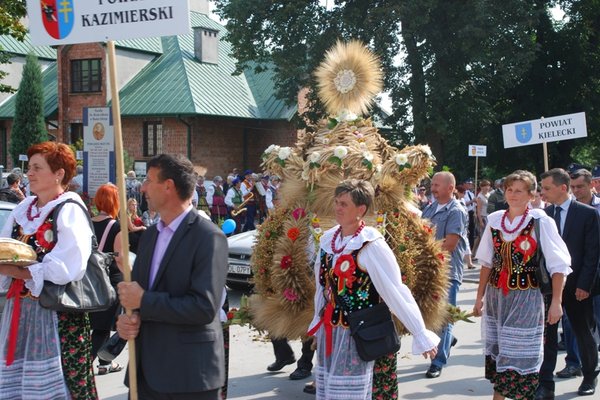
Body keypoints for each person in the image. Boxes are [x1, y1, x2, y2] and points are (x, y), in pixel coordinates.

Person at [307, 179, 439, 399]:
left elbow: (395, 290)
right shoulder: (327, 242)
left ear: (361, 210)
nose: (337, 208)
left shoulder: (371, 244)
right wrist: (317, 324)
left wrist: (419, 332)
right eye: (337, 202)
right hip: (334, 331)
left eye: (344, 204)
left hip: (365, 335)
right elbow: (322, 288)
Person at [116, 153, 229, 399]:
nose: (143, 187)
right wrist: (127, 320)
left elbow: (203, 307)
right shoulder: (149, 236)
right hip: (145, 373)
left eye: (149, 180)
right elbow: (137, 296)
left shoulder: (208, 238)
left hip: (188, 376)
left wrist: (143, 301)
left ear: (168, 186)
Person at [0, 141, 97, 399]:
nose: (29, 173)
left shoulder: (69, 210)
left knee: (60, 386)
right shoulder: (24, 209)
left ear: (59, 174)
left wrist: (18, 272)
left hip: (57, 315)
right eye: (29, 167)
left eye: (36, 168)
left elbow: (68, 267)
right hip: (19, 313)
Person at [473, 170, 571, 400]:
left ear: (531, 195)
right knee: (500, 355)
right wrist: (479, 298)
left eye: (519, 191)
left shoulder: (540, 221)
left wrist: (556, 302)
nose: (513, 195)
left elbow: (559, 266)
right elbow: (487, 262)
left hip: (526, 297)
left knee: (518, 357)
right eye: (509, 189)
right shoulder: (496, 220)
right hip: (497, 295)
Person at [537, 168, 600, 398]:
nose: (542, 193)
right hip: (551, 287)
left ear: (562, 188)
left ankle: (590, 375)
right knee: (550, 335)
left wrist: (585, 285)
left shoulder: (587, 213)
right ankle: (545, 383)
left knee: (583, 333)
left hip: (578, 286)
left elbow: (593, 254)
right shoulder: (543, 216)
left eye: (547, 188)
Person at [421, 171, 469, 378]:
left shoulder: (456, 210)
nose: (433, 188)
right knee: (429, 314)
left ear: (450, 188)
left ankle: (438, 361)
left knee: (443, 317)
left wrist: (423, 250)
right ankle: (448, 340)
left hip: (447, 271)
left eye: (437, 185)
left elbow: (449, 244)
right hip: (430, 269)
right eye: (432, 184)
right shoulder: (429, 208)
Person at [90, 183, 125, 375]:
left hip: (89, 280)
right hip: (110, 282)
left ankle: (105, 364)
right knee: (103, 328)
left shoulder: (88, 222)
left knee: (96, 325)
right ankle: (84, 367)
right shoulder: (116, 226)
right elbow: (119, 258)